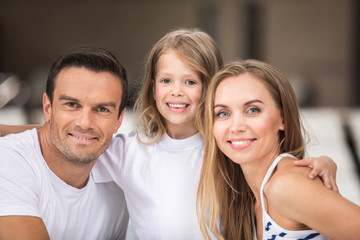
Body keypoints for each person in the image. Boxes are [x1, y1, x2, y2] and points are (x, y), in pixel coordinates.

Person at [0, 29, 337, 239]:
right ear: (152, 87)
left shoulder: (229, 147)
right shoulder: (128, 152)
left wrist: (323, 162)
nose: (177, 92)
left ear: (211, 87)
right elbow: (68, 134)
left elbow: (276, 169)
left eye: (190, 81)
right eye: (166, 81)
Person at [197, 60, 360, 240]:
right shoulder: (249, 199)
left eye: (252, 110)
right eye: (223, 113)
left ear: (283, 118)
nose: (236, 126)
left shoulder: (285, 186)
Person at [0, 47, 129, 240]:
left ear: (119, 120)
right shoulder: (8, 160)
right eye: (71, 105)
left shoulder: (120, 181)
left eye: (102, 109)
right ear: (48, 108)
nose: (85, 123)